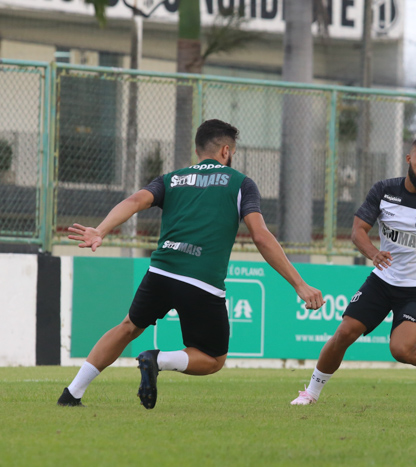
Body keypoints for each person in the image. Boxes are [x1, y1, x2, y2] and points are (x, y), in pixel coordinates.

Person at [57, 119, 323, 409]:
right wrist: (300, 284)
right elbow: (260, 236)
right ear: (225, 150)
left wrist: (101, 230)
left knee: (128, 327)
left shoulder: (172, 179)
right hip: (201, 280)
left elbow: (134, 201)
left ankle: (72, 393)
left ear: (198, 150)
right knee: (212, 359)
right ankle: (158, 360)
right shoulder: (241, 184)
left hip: (161, 271)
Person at [290, 137, 416, 405]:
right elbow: (358, 231)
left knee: (400, 350)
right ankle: (311, 393)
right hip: (383, 280)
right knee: (344, 333)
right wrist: (373, 254)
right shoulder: (384, 190)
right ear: (409, 158)